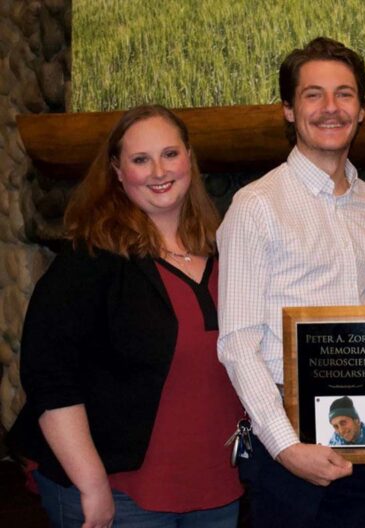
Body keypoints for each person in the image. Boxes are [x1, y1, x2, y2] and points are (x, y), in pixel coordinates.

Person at [7, 105, 243, 527]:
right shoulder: (89, 260)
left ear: (189, 158)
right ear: (117, 170)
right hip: (120, 491)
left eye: (170, 154)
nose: (159, 171)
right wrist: (92, 484)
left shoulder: (225, 251)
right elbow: (49, 377)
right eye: (140, 159)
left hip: (216, 487)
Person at [217, 37, 365, 527]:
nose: (330, 108)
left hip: (361, 432)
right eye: (313, 94)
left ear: (362, 110)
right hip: (286, 439)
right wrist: (286, 446)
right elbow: (237, 342)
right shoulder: (256, 206)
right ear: (289, 110)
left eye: (345, 94)